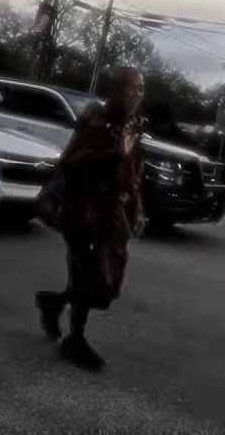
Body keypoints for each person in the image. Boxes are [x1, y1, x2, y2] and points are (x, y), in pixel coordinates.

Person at [34, 66, 147, 371]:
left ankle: (54, 303)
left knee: (106, 283)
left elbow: (134, 172)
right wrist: (114, 154)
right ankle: (75, 340)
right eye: (130, 88)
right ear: (114, 91)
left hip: (113, 214)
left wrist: (138, 208)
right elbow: (72, 162)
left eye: (141, 89)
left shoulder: (133, 127)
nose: (136, 95)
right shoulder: (95, 123)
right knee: (86, 276)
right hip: (83, 211)